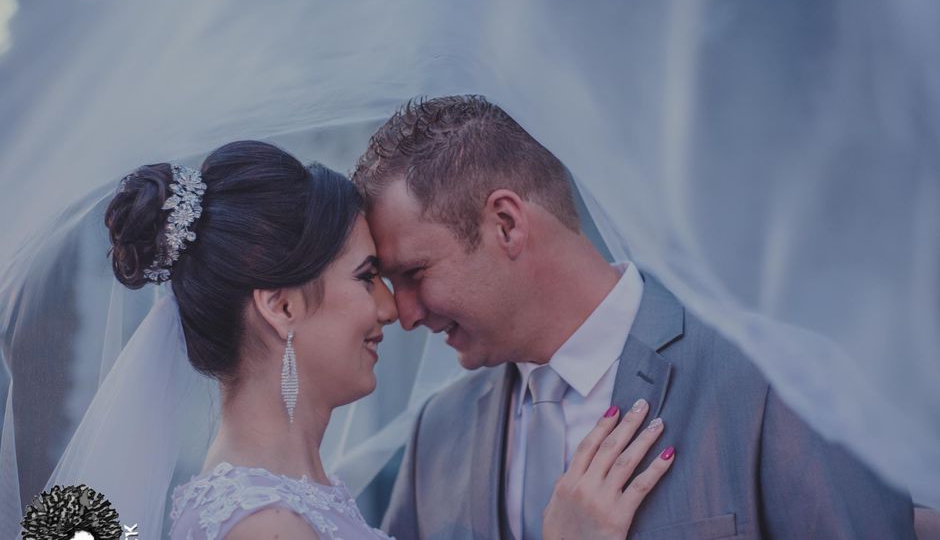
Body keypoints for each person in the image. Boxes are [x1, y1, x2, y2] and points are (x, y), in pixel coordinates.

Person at [351, 95, 918, 539]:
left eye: (414, 273)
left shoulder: (781, 382)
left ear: (506, 223)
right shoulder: (438, 434)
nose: (401, 313)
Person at [104, 140, 675, 540]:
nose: (392, 310)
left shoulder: (299, 500)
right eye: (366, 277)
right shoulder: (264, 526)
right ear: (281, 307)